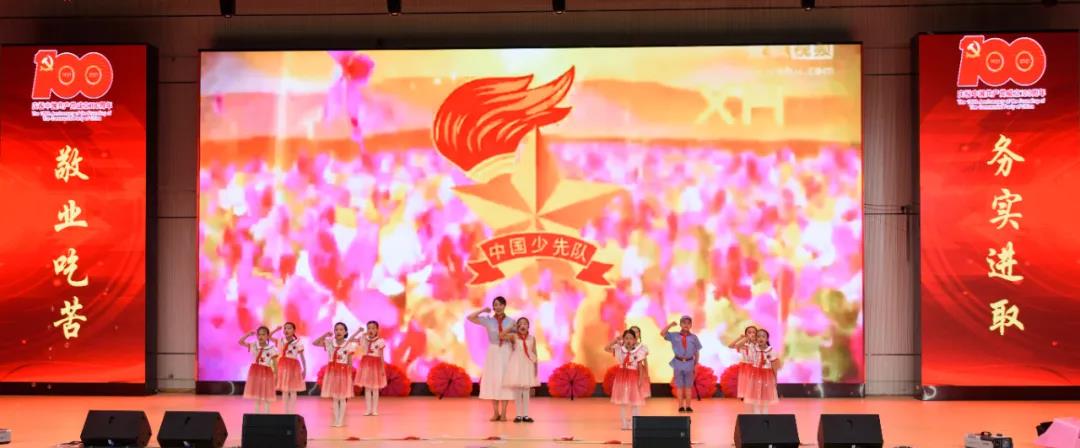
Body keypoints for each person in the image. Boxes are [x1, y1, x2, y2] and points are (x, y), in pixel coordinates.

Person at [467, 296, 516, 422]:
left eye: (500, 304)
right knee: (494, 380)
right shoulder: (488, 320)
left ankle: (504, 413)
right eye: (495, 305)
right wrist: (483, 310)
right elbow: (470, 318)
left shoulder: (511, 321)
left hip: (506, 351)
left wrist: (509, 338)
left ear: (504, 306)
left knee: (504, 381)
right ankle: (495, 413)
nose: (497, 307)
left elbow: (518, 337)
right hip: (493, 352)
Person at [314, 322, 361, 427]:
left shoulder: (348, 345)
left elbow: (349, 362)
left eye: (341, 329)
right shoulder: (330, 342)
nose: (338, 331)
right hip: (332, 372)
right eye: (336, 329)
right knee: (335, 398)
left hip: (343, 372)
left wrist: (349, 376)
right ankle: (336, 420)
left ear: (345, 332)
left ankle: (340, 420)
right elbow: (315, 343)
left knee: (342, 397)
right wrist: (325, 335)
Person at [605, 329, 648, 431]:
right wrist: (616, 340)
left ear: (635, 340)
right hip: (622, 377)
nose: (629, 340)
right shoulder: (620, 349)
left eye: (631, 338)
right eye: (626, 338)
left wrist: (641, 380)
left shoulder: (638, 351)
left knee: (635, 401)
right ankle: (624, 423)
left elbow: (640, 366)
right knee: (623, 402)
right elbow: (606, 348)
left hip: (633, 377)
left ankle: (634, 423)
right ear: (623, 339)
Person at [501, 317, 539, 423]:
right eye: (521, 323)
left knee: (526, 391)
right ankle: (518, 415)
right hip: (517, 365)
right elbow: (501, 335)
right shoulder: (514, 336)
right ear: (518, 326)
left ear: (528, 326)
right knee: (518, 391)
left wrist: (536, 367)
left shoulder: (532, 338)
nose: (523, 325)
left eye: (525, 323)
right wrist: (510, 327)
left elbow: (534, 352)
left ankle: (526, 415)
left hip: (527, 365)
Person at [662, 316, 702, 413]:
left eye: (688, 323)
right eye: (684, 323)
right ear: (680, 324)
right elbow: (662, 333)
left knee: (688, 386)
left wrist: (696, 364)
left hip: (689, 363)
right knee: (679, 386)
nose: (686, 325)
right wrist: (670, 325)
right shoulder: (674, 335)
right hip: (678, 362)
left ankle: (688, 406)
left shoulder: (694, 337)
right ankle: (680, 406)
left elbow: (696, 352)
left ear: (691, 325)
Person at [239, 326, 280, 414]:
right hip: (256, 372)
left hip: (267, 372)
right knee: (257, 396)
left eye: (263, 334)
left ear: (267, 336)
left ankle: (267, 415)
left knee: (266, 396)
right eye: (259, 334)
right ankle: (256, 415)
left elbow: (275, 363)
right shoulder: (254, 345)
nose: (261, 336)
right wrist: (248, 334)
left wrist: (276, 375)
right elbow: (240, 342)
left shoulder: (272, 348)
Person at [354, 321, 388, 416]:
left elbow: (381, 355)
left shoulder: (380, 341)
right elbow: (352, 340)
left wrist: (382, 368)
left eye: (373, 328)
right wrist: (361, 333)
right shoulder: (364, 339)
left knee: (375, 388)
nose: (371, 330)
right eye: (369, 328)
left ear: (377, 329)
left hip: (376, 365)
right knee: (368, 388)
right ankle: (368, 409)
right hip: (366, 365)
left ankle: (375, 410)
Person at [744, 329, 780, 414]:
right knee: (755, 396)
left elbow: (774, 366)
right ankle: (756, 416)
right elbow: (749, 359)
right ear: (756, 338)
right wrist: (749, 338)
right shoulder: (753, 349)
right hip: (755, 375)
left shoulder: (771, 350)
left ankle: (765, 415)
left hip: (767, 376)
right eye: (758, 336)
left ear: (767, 339)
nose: (761, 338)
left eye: (763, 336)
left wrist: (775, 378)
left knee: (765, 397)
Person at [274, 322, 307, 414]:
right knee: (285, 390)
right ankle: (286, 412)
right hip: (283, 366)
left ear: (294, 330)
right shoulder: (281, 340)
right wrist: (276, 330)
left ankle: (292, 412)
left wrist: (305, 369)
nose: (286, 330)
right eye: (285, 328)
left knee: (292, 390)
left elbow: (302, 357)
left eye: (289, 328)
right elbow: (269, 337)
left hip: (294, 366)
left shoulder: (298, 342)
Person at [728, 325, 758, 401]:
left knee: (754, 381)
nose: (751, 334)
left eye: (754, 332)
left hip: (755, 365)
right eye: (749, 332)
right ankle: (744, 394)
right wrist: (740, 338)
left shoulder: (757, 344)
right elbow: (730, 346)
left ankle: (754, 395)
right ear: (746, 334)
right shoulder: (743, 345)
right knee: (745, 380)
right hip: (745, 365)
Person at [629, 326, 651, 399]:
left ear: (639, 334)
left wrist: (647, 374)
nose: (635, 334)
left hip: (639, 371)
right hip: (628, 370)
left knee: (638, 391)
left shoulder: (643, 346)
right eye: (632, 332)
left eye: (636, 332)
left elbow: (645, 361)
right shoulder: (625, 345)